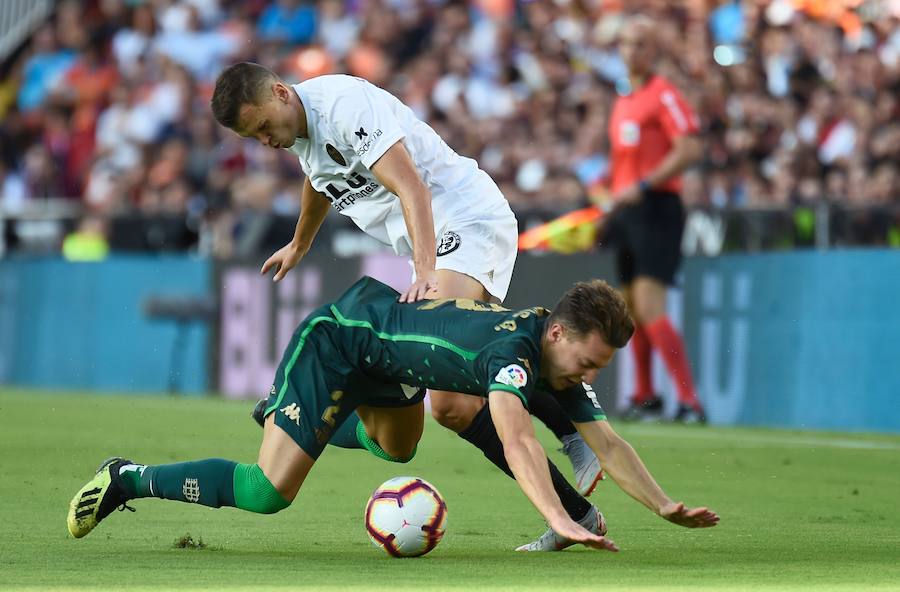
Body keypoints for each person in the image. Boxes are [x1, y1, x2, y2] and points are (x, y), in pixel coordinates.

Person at [67, 276, 719, 550]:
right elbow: (518, 442)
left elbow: (608, 445)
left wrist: (665, 506)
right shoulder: (514, 355)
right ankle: (127, 476)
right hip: (340, 338)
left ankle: (291, 420)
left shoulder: (555, 356)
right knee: (268, 494)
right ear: (558, 334)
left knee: (399, 451)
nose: (591, 375)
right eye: (591, 361)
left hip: (390, 366)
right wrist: (558, 518)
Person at [209, 64, 604, 503]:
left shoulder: (343, 106)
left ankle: (575, 425)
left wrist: (426, 272)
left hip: (464, 220)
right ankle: (576, 513)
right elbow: (319, 180)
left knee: (464, 361)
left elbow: (412, 188)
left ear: (280, 93)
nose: (266, 141)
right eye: (255, 137)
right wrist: (299, 244)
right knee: (453, 409)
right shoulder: (304, 133)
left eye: (263, 126)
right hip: (437, 240)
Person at [600, 16, 706, 423]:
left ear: (653, 50)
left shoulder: (663, 96)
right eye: (625, 43)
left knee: (649, 304)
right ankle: (646, 396)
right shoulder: (624, 99)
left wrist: (643, 184)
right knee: (630, 307)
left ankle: (689, 400)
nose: (631, 51)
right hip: (627, 210)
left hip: (657, 207)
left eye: (640, 44)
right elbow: (622, 162)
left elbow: (689, 149)